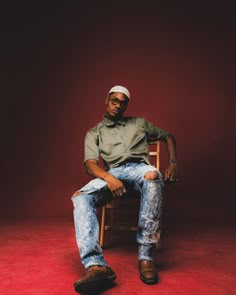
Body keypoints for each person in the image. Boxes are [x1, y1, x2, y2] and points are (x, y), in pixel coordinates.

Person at [72, 85, 177, 294]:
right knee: (81, 197)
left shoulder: (139, 123)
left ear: (126, 104)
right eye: (114, 101)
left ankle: (146, 256)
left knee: (153, 175)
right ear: (106, 100)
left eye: (123, 102)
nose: (118, 105)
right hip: (114, 172)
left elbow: (168, 136)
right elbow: (90, 164)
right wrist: (109, 177)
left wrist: (173, 162)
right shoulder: (95, 132)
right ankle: (96, 266)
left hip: (140, 168)